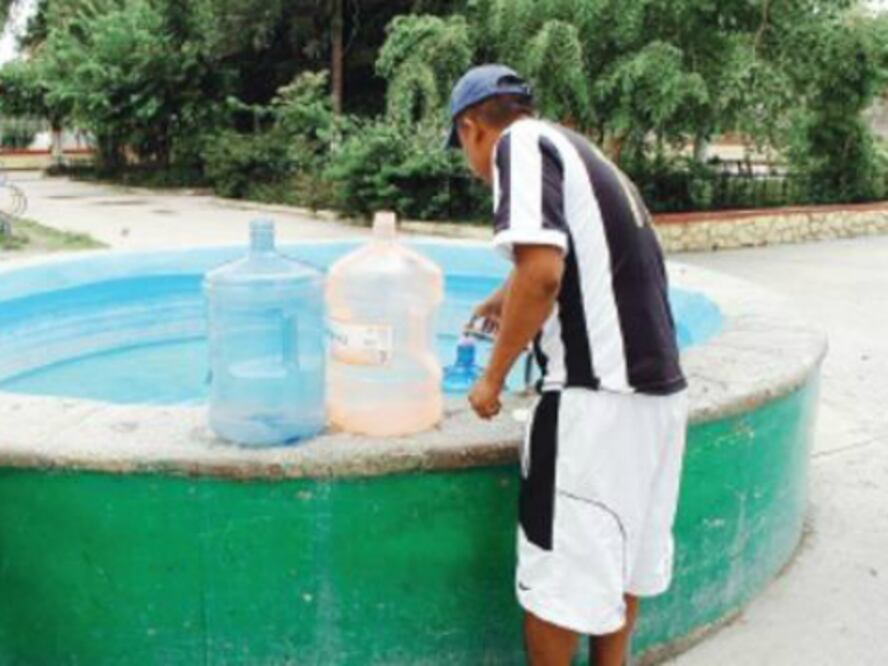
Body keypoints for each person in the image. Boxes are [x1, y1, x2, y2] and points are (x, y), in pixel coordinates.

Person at [446, 64, 689, 666]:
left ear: (472, 128)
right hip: (657, 399)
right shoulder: (579, 149)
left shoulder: (517, 145)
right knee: (621, 565)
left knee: (558, 586)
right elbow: (575, 256)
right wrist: (505, 299)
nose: (471, 163)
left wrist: (492, 377)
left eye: (462, 148)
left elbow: (545, 271)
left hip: (592, 402)